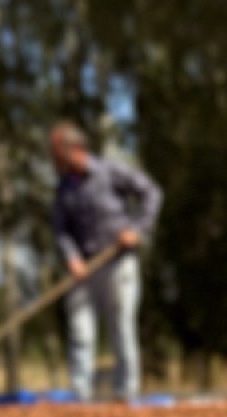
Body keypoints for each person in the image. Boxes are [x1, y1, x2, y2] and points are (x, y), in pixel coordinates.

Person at [50, 122, 162, 402]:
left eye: (56, 155)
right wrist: (71, 257)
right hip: (84, 269)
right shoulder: (63, 189)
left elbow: (152, 193)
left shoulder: (109, 172)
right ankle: (80, 392)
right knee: (80, 330)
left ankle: (125, 392)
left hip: (117, 261)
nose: (53, 161)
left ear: (74, 150)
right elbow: (61, 230)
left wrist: (137, 230)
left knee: (121, 327)